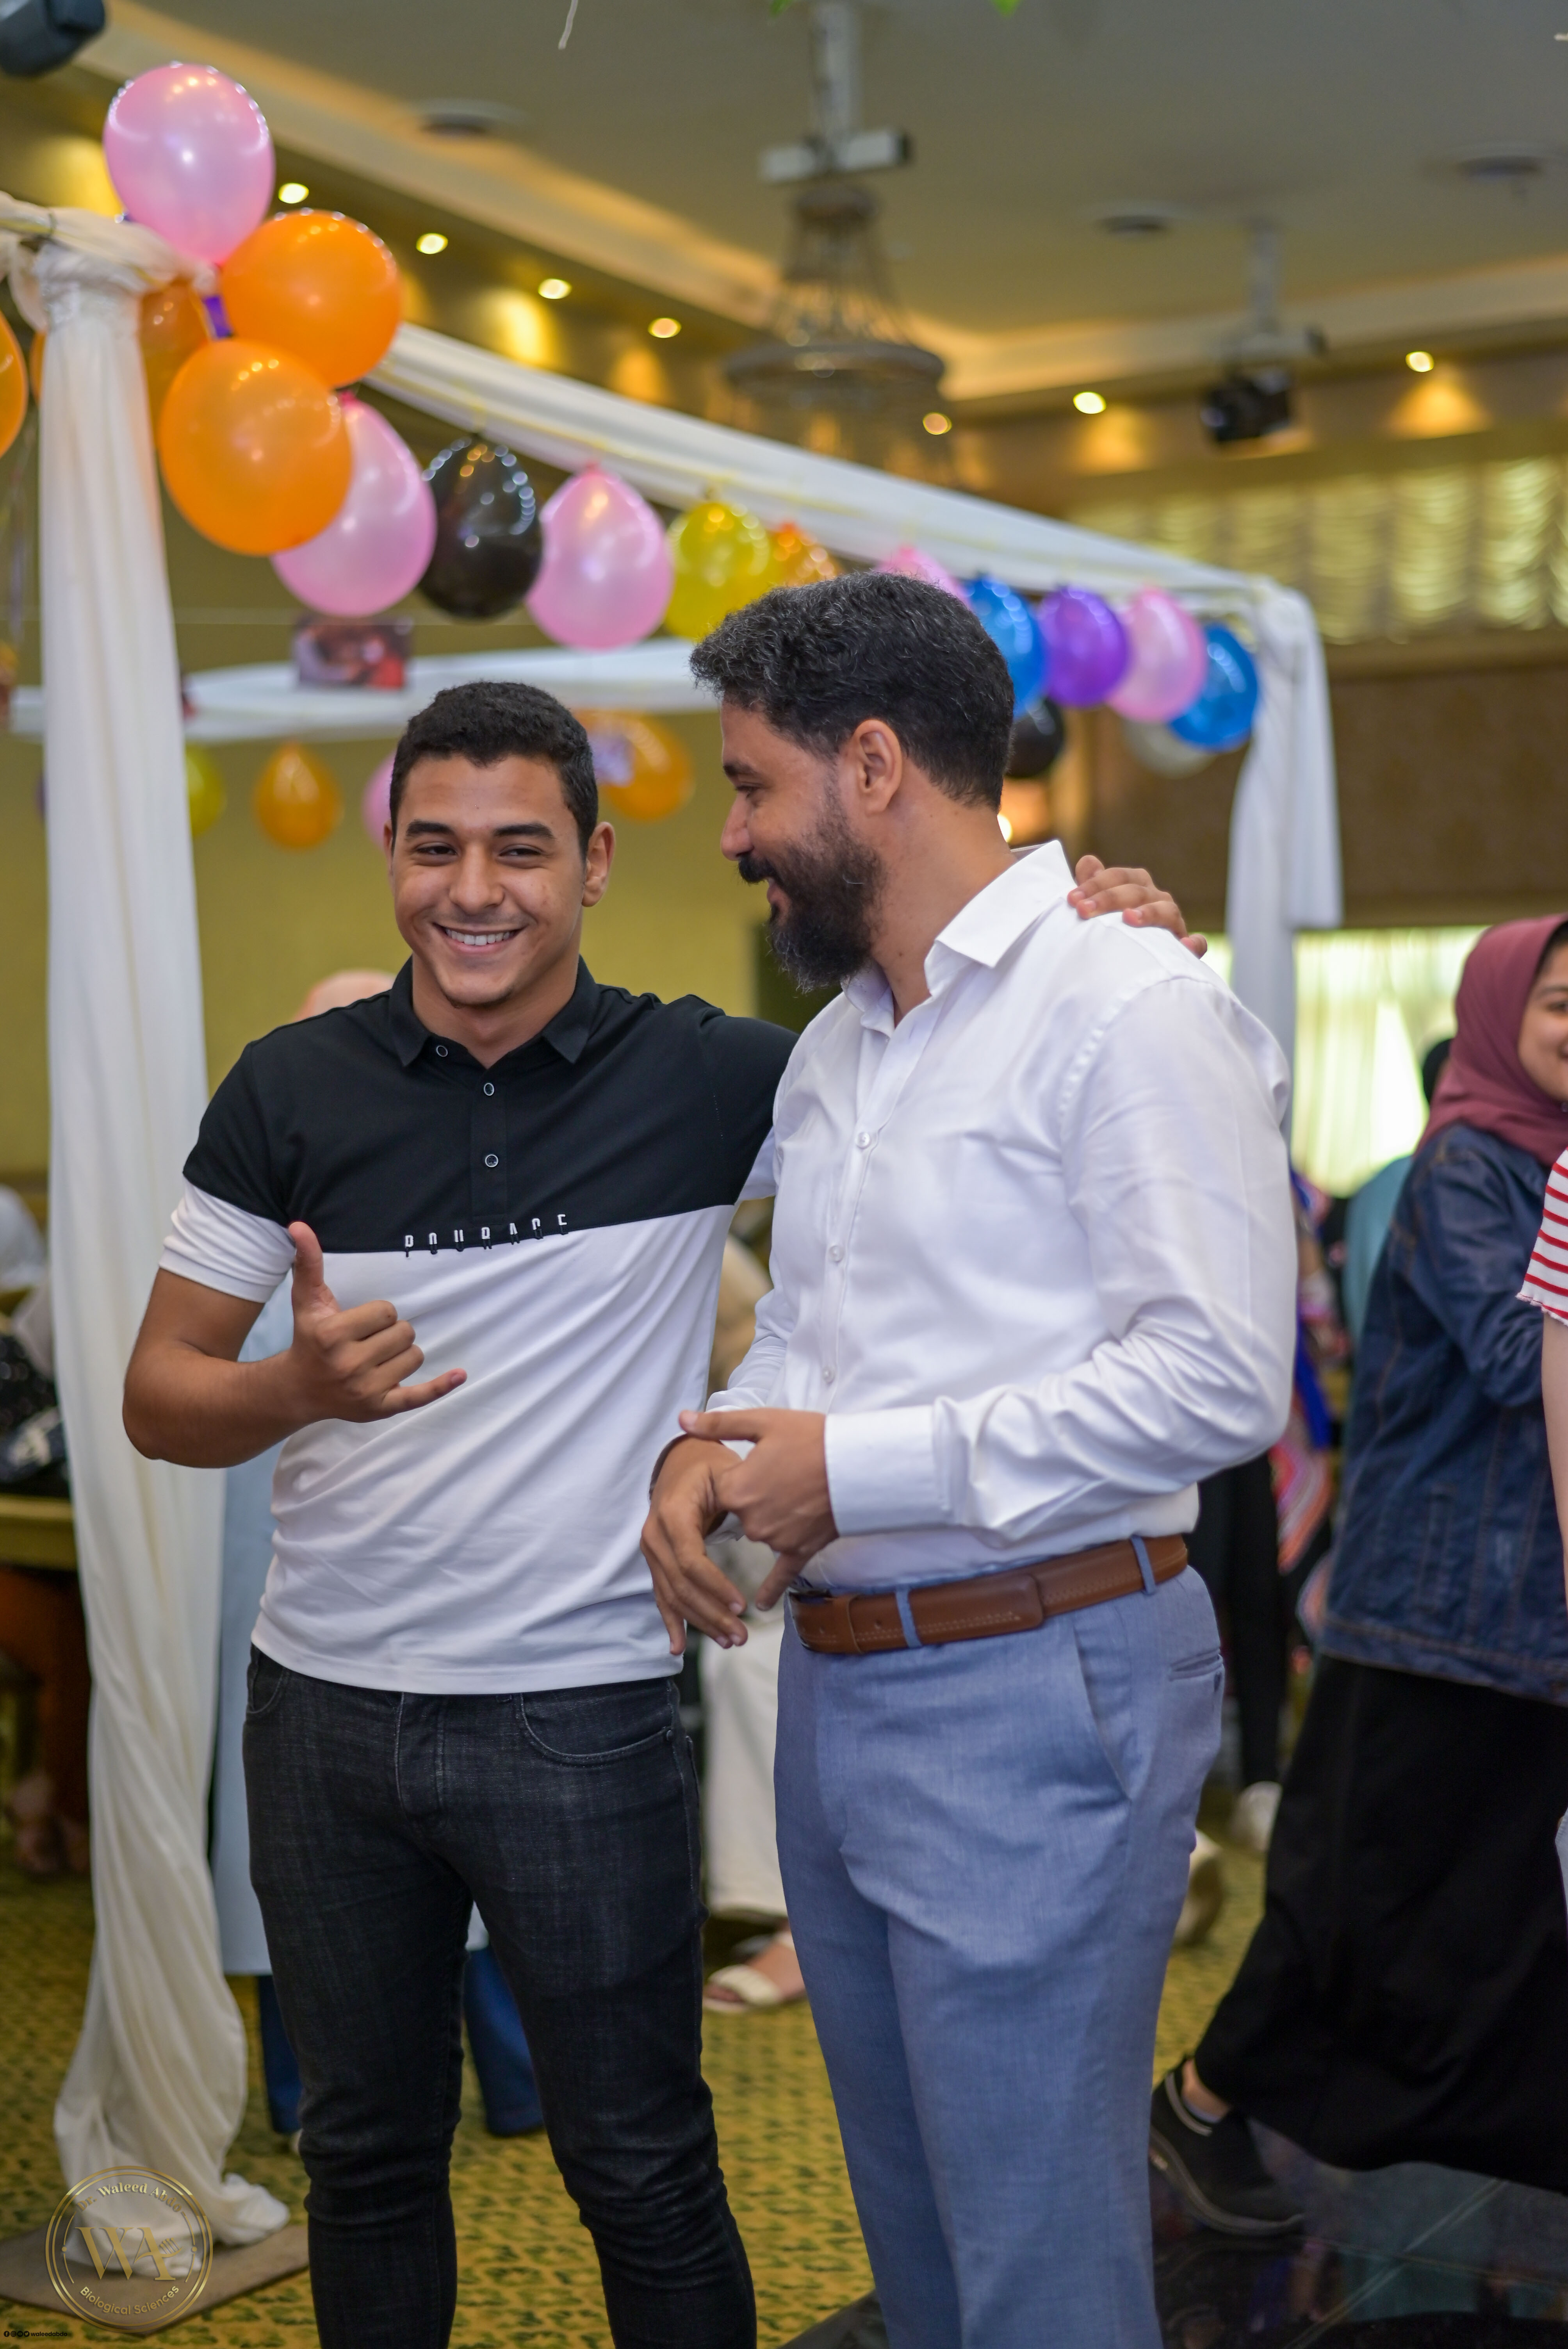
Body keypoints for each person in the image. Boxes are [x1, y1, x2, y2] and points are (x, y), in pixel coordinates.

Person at [121, 676, 1194, 2349]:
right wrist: (295, 1390)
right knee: (364, 2159)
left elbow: (946, 1068)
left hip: (581, 1712)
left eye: (519, 849)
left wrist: (1094, 924)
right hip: (321, 1713)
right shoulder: (289, 1089)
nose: (473, 889)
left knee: (640, 2164)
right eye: (433, 847)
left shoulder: (717, 1075)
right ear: (389, 856)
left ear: (596, 862)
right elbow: (158, 1394)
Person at [643, 572, 1296, 2349]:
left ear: (872, 767)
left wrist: (849, 1473)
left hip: (1040, 1679)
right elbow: (809, 1332)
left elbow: (1217, 1379)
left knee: (1034, 2265)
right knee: (921, 2244)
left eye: (751, 783)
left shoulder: (1124, 1002)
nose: (732, 833)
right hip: (843, 1690)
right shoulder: (839, 1045)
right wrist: (714, 1455)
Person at [1156, 916, 1568, 2236]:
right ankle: (1200, 2103)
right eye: (1561, 1005)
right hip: (1434, 1611)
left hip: (1531, 1611)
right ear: (1500, 1014)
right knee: (1359, 1890)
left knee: (1496, 1899)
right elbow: (1514, 1355)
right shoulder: (1470, 1167)